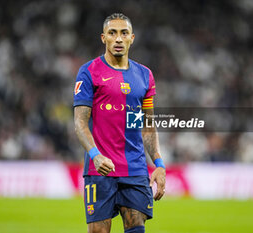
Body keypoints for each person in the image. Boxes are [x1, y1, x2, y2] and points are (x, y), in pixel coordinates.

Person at [73, 13, 166, 233]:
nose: (118, 39)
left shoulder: (144, 76)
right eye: (112, 33)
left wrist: (159, 164)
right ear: (103, 37)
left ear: (132, 38)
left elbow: (146, 125)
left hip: (134, 167)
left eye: (124, 33)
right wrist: (95, 155)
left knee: (136, 227)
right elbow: (80, 123)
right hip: (100, 169)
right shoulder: (89, 72)